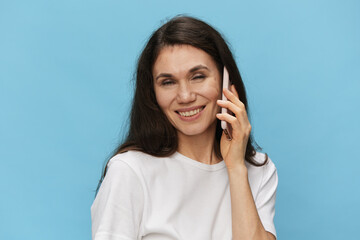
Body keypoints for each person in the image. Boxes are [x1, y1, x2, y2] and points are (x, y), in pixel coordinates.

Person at [91, 15, 278, 240]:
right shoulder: (130, 171)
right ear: (153, 93)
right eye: (168, 82)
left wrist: (236, 168)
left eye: (198, 76)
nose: (185, 96)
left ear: (226, 82)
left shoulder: (259, 171)